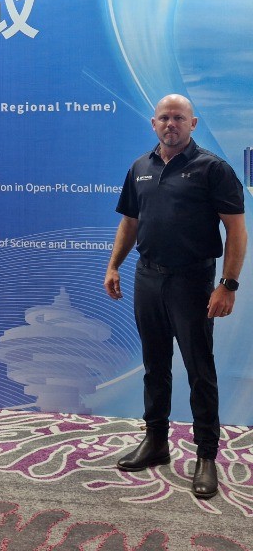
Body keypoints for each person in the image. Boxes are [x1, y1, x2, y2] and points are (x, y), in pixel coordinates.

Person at [104, 94, 246, 499]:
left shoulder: (213, 169)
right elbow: (130, 222)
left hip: (193, 282)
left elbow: (236, 230)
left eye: (179, 118)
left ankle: (205, 456)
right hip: (147, 278)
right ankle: (156, 442)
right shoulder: (140, 168)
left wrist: (228, 284)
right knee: (155, 365)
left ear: (193, 123)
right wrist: (113, 265)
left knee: (200, 370)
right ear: (153, 123)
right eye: (164, 117)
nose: (171, 123)